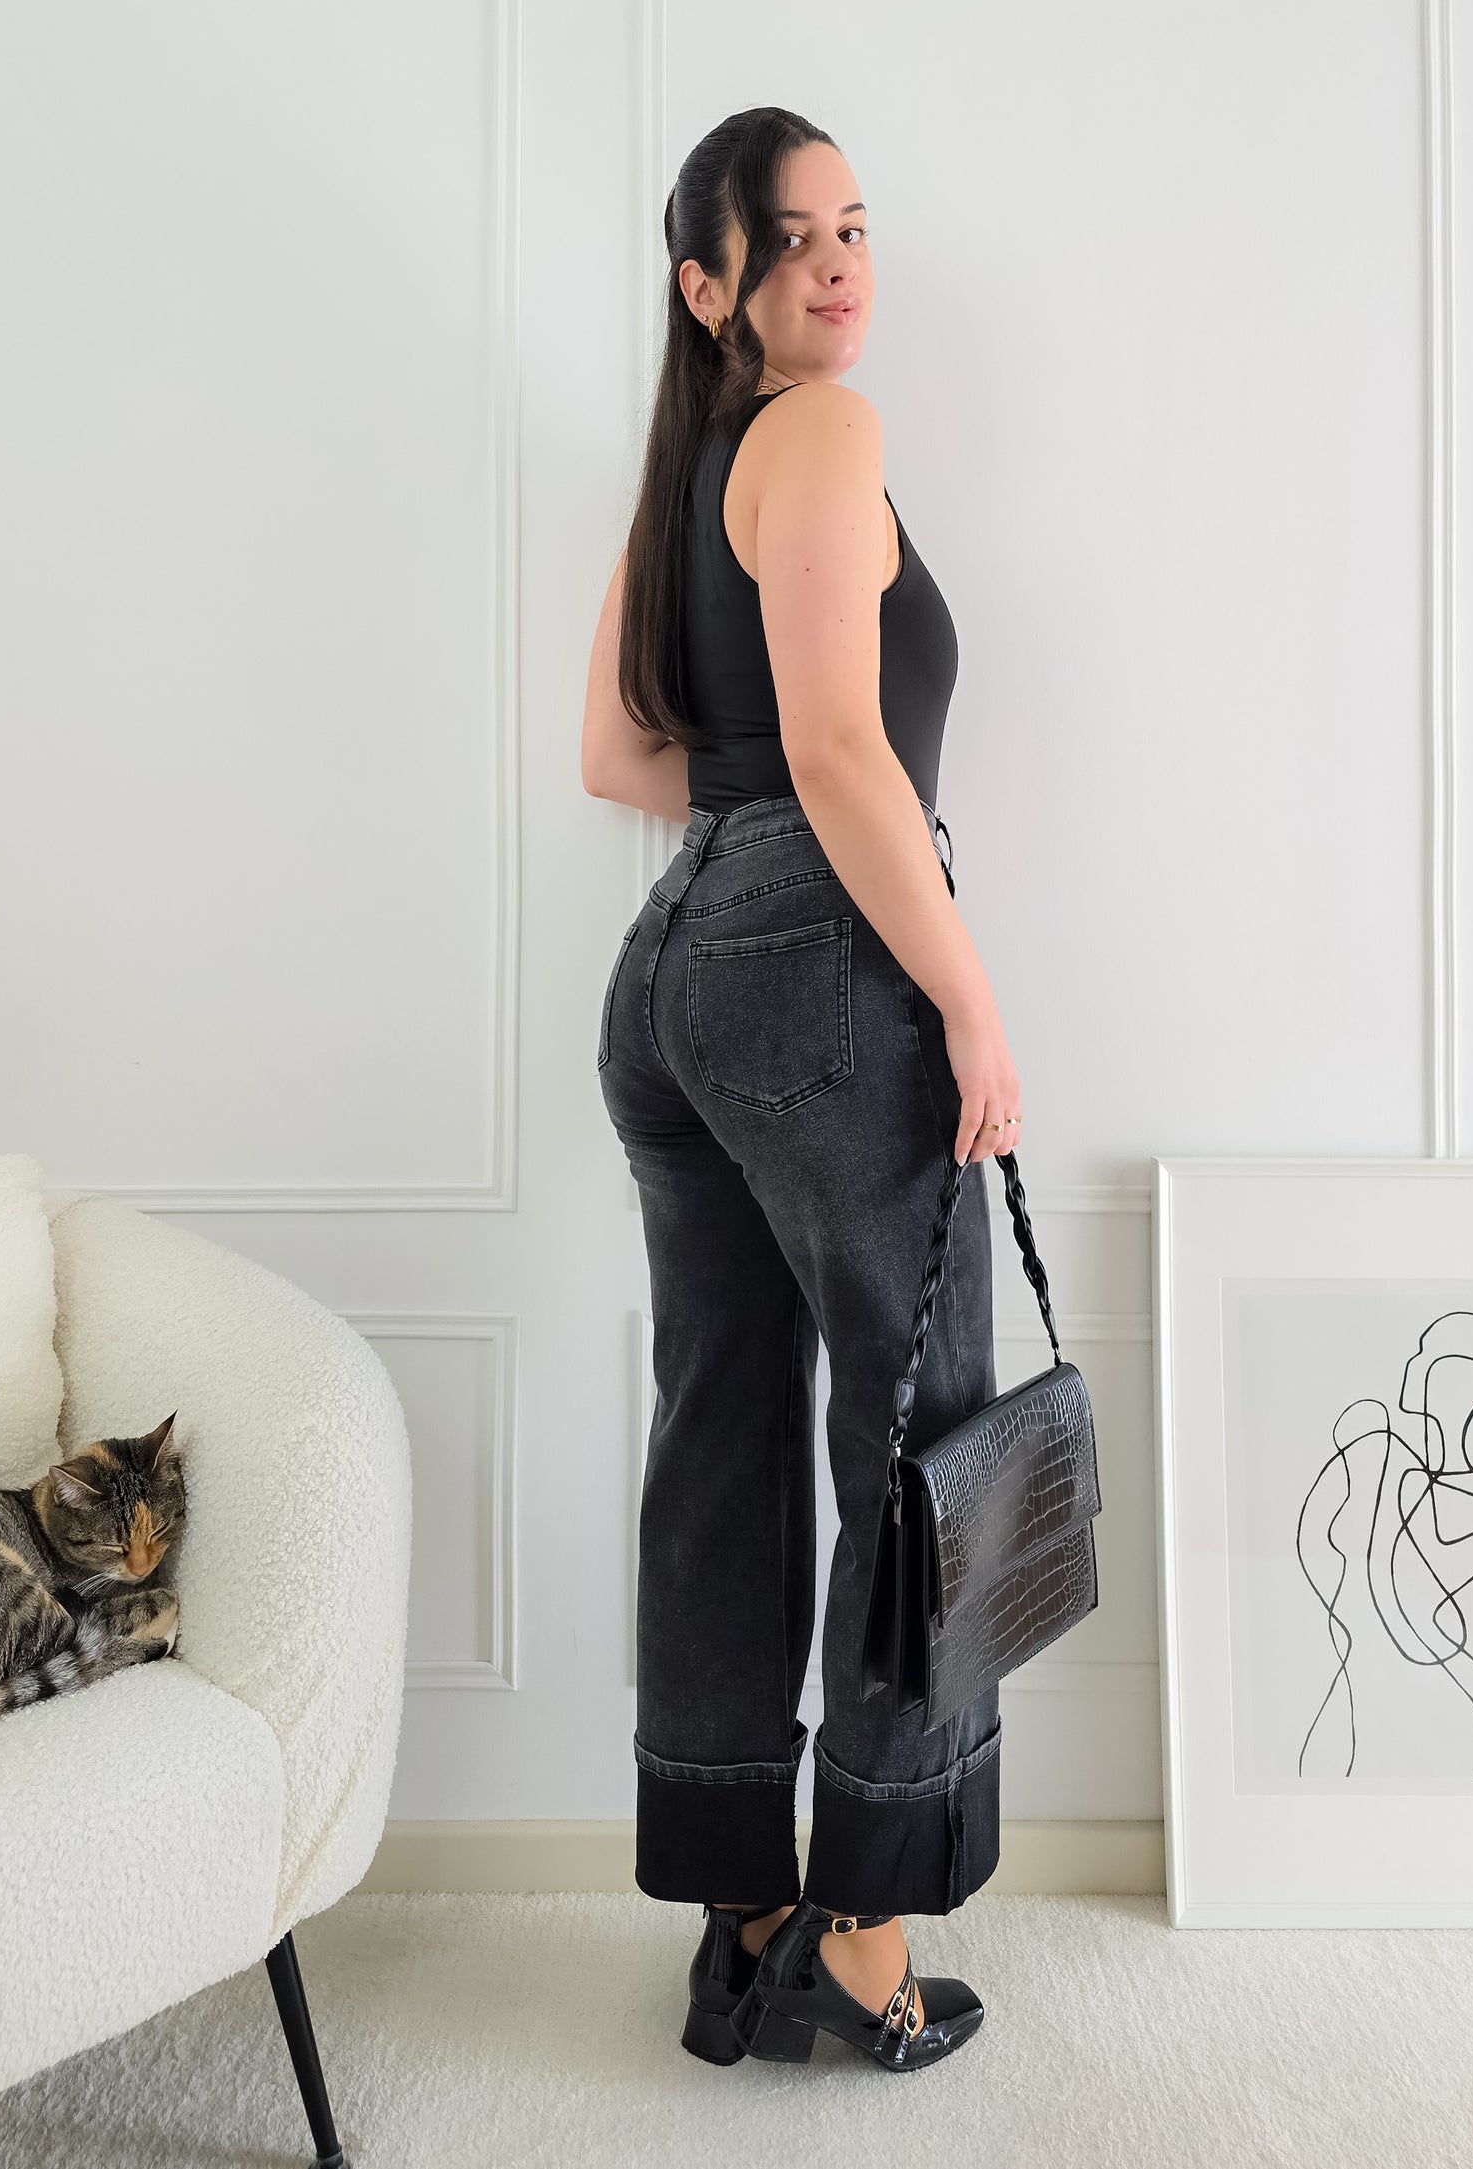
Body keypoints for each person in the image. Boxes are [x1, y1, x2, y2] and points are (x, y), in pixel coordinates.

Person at [581, 105, 1022, 2074]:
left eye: (854, 228)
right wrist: (967, 998)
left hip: (674, 966)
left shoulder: (681, 473)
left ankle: (737, 1912)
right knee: (922, 1432)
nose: (841, 267)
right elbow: (845, 749)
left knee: (724, 1425)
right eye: (793, 239)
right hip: (826, 956)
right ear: (710, 284)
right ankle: (862, 1930)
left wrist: (753, 825)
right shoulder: (824, 434)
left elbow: (619, 755)